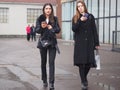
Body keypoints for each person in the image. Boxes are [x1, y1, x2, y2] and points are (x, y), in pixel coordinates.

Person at [72, 1, 100, 90]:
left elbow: (94, 30)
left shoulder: (90, 17)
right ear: (77, 8)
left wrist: (97, 43)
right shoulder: (75, 18)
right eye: (78, 6)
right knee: (81, 63)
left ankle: (84, 77)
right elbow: (74, 29)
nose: (80, 8)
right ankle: (84, 81)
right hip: (80, 44)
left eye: (81, 6)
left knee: (89, 63)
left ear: (84, 6)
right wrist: (80, 21)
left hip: (89, 44)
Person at [35, 3, 60, 90]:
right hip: (43, 43)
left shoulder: (55, 19)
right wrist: (42, 27)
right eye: (46, 8)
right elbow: (37, 30)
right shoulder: (40, 18)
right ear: (44, 10)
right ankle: (44, 80)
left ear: (52, 10)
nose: (48, 10)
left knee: (51, 63)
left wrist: (51, 28)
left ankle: (51, 83)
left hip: (52, 43)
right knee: (43, 63)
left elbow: (58, 30)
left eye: (49, 8)